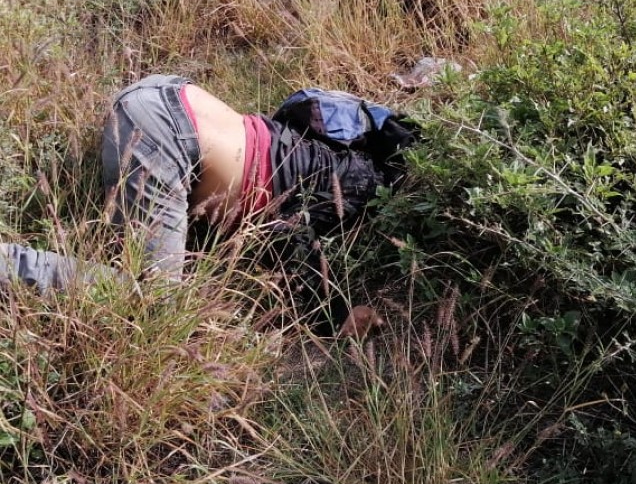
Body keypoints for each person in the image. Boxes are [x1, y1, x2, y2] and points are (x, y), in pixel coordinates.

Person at [2, 74, 402, 335]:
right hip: (166, 133)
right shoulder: (365, 183)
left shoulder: (327, 150)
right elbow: (289, 230)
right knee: (154, 303)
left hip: (165, 95)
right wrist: (334, 316)